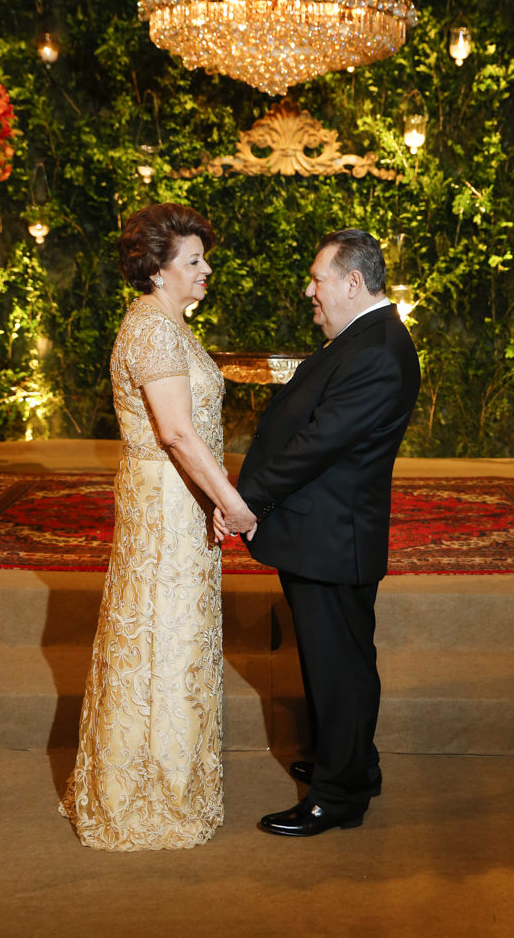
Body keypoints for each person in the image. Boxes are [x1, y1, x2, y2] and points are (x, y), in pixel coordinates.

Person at [60, 203, 255, 851]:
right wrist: (231, 499)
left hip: (178, 502)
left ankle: (169, 777)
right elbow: (174, 432)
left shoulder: (167, 325)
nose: (206, 270)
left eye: (204, 258)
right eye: (193, 261)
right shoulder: (151, 330)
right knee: (162, 636)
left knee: (176, 634)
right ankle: (146, 793)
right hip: (167, 506)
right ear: (157, 270)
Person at [216, 229, 421, 837]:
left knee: (339, 667)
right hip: (324, 531)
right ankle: (354, 764)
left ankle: (338, 795)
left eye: (318, 279)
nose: (310, 291)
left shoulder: (380, 350)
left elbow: (317, 445)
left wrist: (242, 501)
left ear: (353, 283)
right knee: (341, 663)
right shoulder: (364, 336)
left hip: (333, 536)